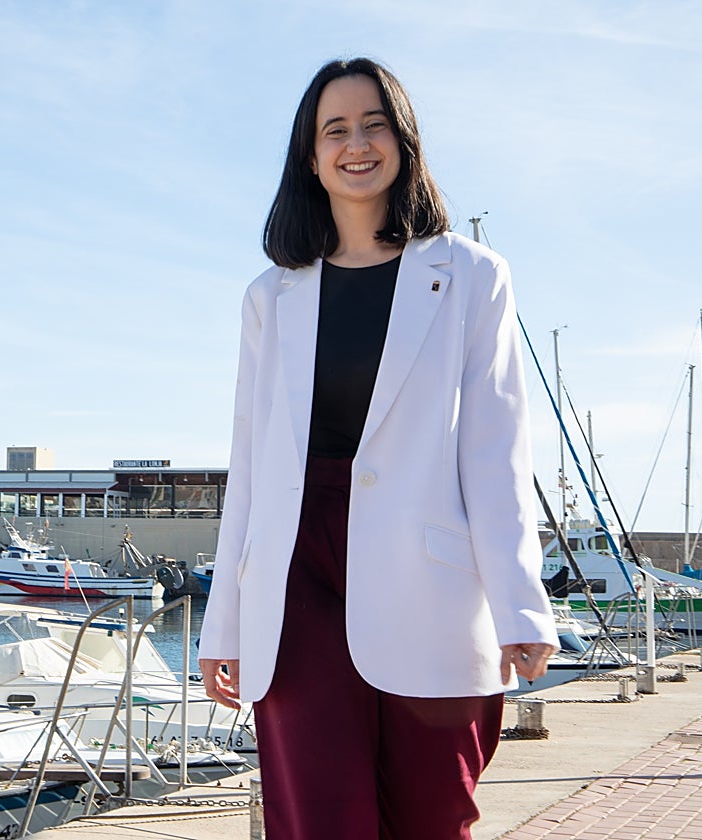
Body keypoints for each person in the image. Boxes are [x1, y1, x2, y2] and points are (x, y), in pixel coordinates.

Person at [197, 57, 559, 840]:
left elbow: (496, 451)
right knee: (322, 820)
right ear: (310, 155)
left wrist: (520, 604)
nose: (356, 144)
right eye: (336, 130)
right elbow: (251, 468)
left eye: (374, 125)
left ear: (404, 142)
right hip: (295, 572)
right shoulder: (270, 296)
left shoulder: (472, 277)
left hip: (428, 571)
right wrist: (221, 625)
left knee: (435, 817)